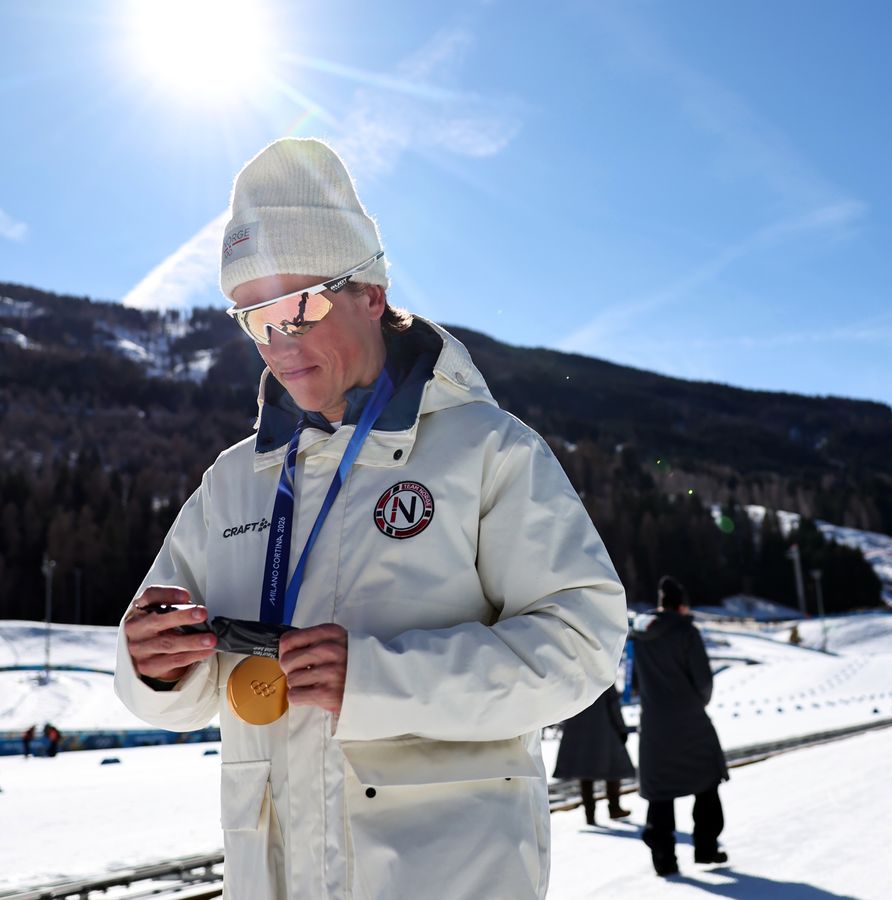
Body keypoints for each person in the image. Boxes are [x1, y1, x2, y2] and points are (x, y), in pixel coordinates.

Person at [113, 138, 627, 900]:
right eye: (252, 318)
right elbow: (168, 679)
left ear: (371, 294)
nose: (276, 344)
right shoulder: (233, 482)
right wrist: (152, 667)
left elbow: (583, 645)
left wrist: (383, 679)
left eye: (296, 307)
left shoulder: (487, 449)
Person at [633, 576, 728, 877]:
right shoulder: (687, 632)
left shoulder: (640, 635)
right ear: (681, 605)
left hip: (654, 725)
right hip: (689, 721)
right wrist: (697, 702)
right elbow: (703, 682)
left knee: (661, 791)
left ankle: (664, 858)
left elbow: (636, 681)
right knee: (706, 782)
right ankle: (706, 848)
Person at [554, 684, 634, 826]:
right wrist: (621, 728)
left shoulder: (573, 674)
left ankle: (590, 815)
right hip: (604, 729)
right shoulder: (604, 674)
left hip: (577, 731)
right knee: (614, 768)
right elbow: (613, 704)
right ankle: (614, 807)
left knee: (585, 773)